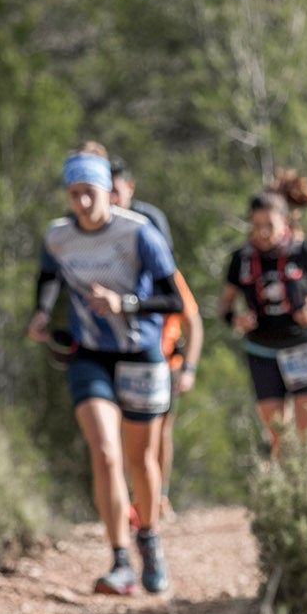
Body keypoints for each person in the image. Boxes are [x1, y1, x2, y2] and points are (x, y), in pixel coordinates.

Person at [28, 143, 183, 595]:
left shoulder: (140, 233)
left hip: (141, 353)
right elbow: (48, 274)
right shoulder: (58, 235)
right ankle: (119, 561)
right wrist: (41, 312)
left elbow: (174, 299)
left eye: (90, 192)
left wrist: (125, 304)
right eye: (74, 193)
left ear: (107, 192)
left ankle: (149, 539)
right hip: (90, 354)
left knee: (141, 460)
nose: (83, 202)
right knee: (106, 453)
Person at [220, 171, 307, 459]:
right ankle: (288, 499)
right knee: (279, 437)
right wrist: (235, 319)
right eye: (256, 226)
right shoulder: (240, 259)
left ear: (285, 222)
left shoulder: (303, 252)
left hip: (304, 346)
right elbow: (225, 305)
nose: (262, 233)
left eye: (269, 225)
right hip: (262, 351)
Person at [107, 157, 200, 518]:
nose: (112, 201)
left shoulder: (156, 250)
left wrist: (188, 366)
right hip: (118, 354)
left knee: (158, 432)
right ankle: (133, 500)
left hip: (162, 359)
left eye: (116, 191)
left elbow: (191, 319)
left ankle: (157, 496)